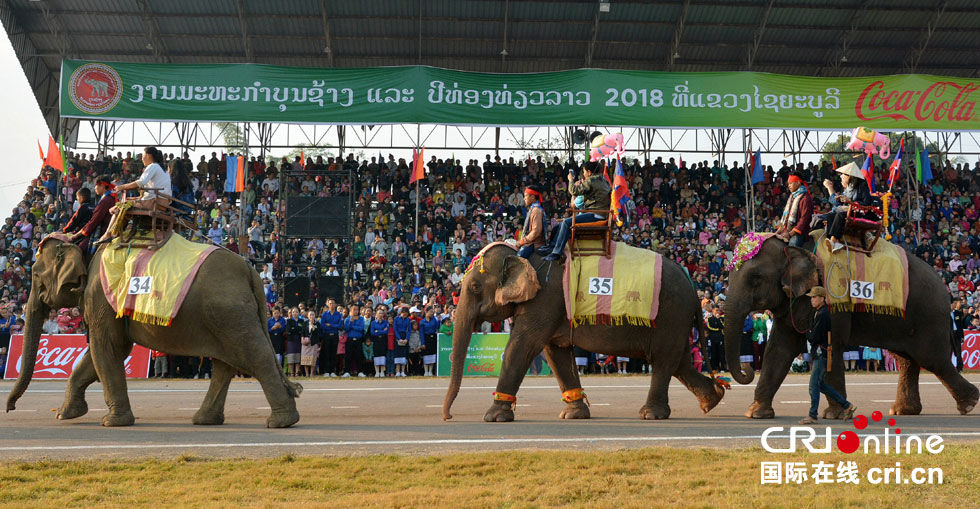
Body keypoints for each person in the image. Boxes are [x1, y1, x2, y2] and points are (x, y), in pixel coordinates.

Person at [800, 286, 857, 424]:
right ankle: (846, 405)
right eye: (812, 297)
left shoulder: (822, 314)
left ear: (822, 298)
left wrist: (808, 332)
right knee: (821, 385)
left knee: (813, 386)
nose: (812, 300)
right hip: (821, 353)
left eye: (814, 297)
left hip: (820, 353)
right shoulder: (819, 312)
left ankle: (813, 415)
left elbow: (814, 337)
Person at [97, 146, 172, 243]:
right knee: (126, 201)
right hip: (161, 202)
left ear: (148, 156)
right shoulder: (163, 169)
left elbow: (140, 182)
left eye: (143, 156)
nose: (141, 158)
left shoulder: (153, 166)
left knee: (121, 205)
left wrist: (122, 187)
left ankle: (108, 234)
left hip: (154, 202)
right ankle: (114, 233)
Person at [543, 161, 611, 261]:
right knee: (559, 225)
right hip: (600, 213)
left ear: (589, 172)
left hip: (594, 214)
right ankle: (552, 247)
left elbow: (573, 191)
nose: (583, 174)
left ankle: (556, 253)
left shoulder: (591, 180)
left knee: (566, 222)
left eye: (584, 172)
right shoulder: (604, 181)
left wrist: (571, 180)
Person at [822, 162, 874, 253]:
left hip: (858, 213)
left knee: (840, 215)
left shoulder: (862, 187)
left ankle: (834, 240)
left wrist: (850, 201)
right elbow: (837, 204)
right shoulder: (846, 189)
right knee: (831, 215)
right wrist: (832, 191)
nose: (841, 177)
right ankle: (832, 240)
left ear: (849, 176)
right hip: (847, 211)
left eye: (843, 175)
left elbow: (867, 203)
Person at [68, 175, 116, 252]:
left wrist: (76, 235)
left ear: (102, 186)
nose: (94, 188)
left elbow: (94, 222)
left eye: (96, 186)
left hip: (103, 231)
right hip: (105, 229)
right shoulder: (109, 198)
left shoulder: (105, 201)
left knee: (80, 248)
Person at [774, 171, 812, 247]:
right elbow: (786, 218)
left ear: (798, 183)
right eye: (788, 184)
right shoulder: (792, 197)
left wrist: (790, 234)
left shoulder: (805, 198)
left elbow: (804, 219)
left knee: (790, 251)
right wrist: (776, 233)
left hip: (799, 234)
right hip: (787, 231)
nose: (789, 186)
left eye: (791, 183)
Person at [516, 184, 547, 258]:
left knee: (518, 259)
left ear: (532, 197)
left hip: (535, 244)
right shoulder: (533, 209)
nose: (524, 199)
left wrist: (522, 241)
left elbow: (536, 232)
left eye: (526, 196)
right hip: (531, 242)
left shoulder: (536, 211)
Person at [319, 299, 342, 377]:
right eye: (330, 303)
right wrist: (332, 326)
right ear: (328, 305)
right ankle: (326, 371)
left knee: (333, 353)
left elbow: (339, 326)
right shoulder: (325, 314)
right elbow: (323, 326)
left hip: (335, 335)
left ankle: (332, 371)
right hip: (326, 336)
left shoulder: (339, 314)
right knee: (326, 353)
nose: (331, 305)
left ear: (335, 305)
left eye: (333, 303)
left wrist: (330, 325)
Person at [284, 307, 305, 377]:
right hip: (291, 340)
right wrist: (296, 330)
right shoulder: (289, 321)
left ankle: (297, 372)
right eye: (293, 312)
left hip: (299, 340)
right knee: (291, 356)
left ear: (299, 313)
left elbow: (302, 330)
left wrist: (294, 329)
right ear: (291, 313)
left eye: (296, 312)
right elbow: (288, 330)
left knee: (298, 356)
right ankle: (292, 373)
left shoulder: (302, 321)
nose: (295, 313)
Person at [300, 310, 321, 377]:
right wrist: (302, 340)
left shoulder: (317, 323)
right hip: (305, 343)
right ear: (308, 316)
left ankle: (312, 373)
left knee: (312, 359)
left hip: (313, 343)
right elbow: (302, 332)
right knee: (305, 359)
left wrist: (312, 324)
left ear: (315, 316)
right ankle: (306, 373)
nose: (312, 316)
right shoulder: (305, 323)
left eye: (313, 315)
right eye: (310, 315)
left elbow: (317, 333)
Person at [420, 308, 440, 376]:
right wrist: (423, 343)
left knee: (432, 354)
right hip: (426, 338)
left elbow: (437, 327)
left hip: (433, 338)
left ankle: (430, 371)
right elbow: (421, 333)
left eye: (433, 312)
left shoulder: (434, 319)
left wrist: (439, 320)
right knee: (426, 354)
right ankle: (426, 371)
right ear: (426, 312)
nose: (432, 313)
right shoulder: (422, 322)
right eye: (430, 312)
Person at [369, 308, 389, 377]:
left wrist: (378, 331)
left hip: (383, 340)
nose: (380, 314)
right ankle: (377, 372)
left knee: (383, 356)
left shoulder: (386, 322)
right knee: (377, 356)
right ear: (376, 315)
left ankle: (382, 372)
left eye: (381, 313)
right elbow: (372, 333)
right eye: (379, 313)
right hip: (376, 341)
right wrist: (382, 331)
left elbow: (386, 332)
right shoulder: (373, 323)